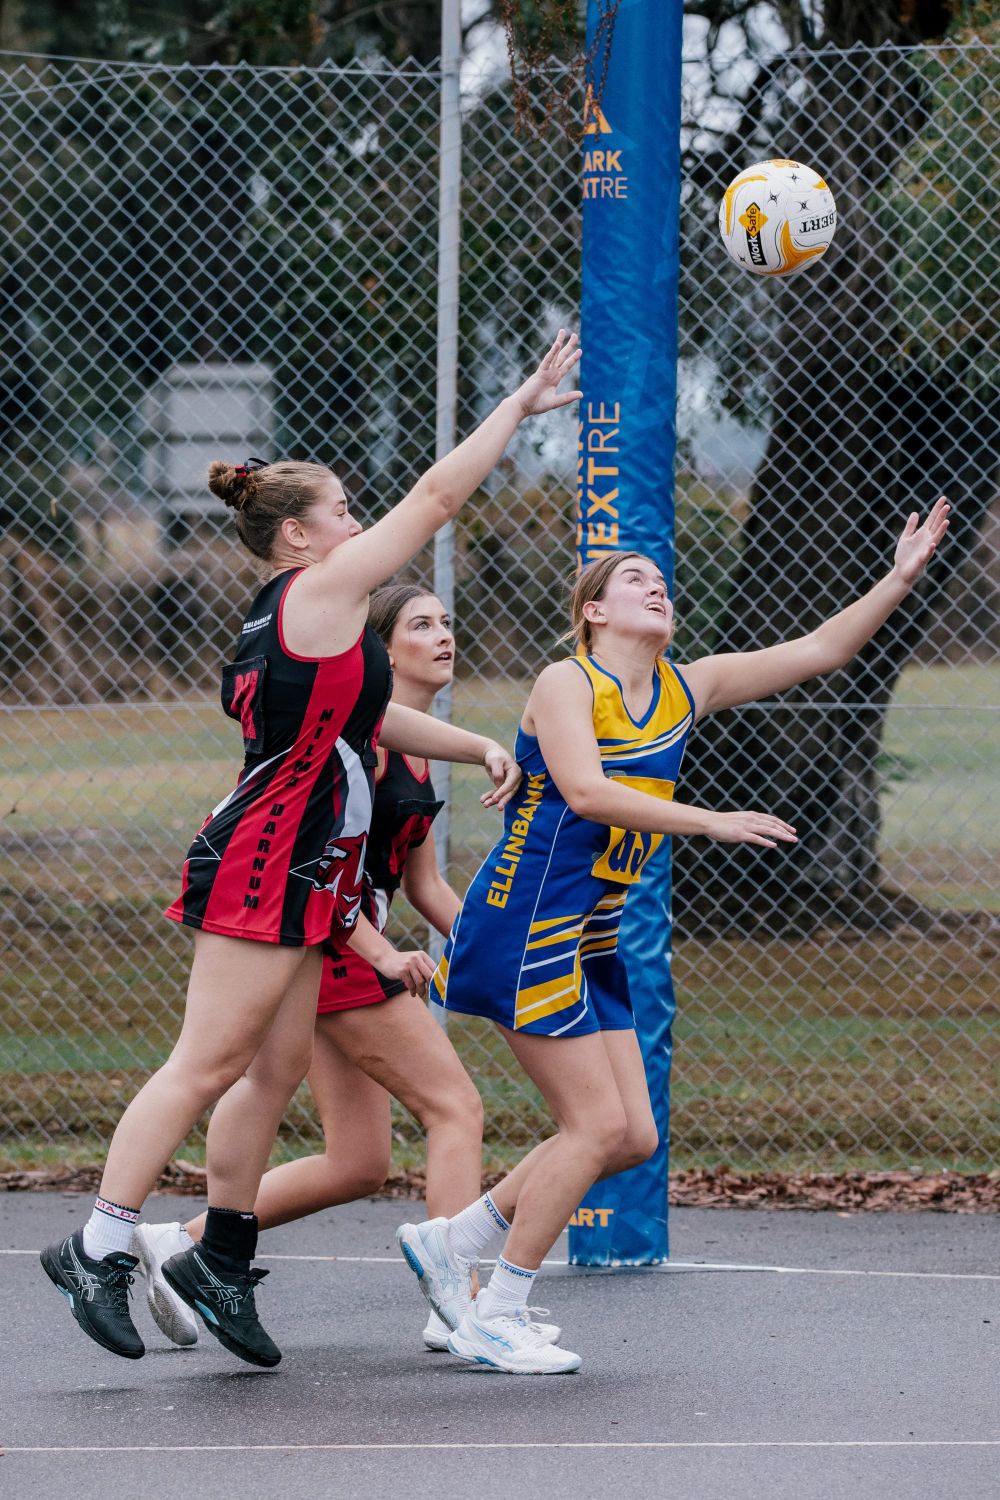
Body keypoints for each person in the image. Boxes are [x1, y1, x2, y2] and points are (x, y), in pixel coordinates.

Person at [40, 330, 583, 1367]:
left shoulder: (289, 613)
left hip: (302, 869)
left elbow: (361, 723)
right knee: (205, 1065)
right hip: (264, 859)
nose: (356, 521)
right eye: (341, 509)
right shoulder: (321, 592)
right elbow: (437, 497)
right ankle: (98, 1246)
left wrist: (472, 744)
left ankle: (219, 1257)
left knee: (274, 1071)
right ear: (296, 534)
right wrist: (516, 408)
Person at [397, 499, 951, 1374]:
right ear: (594, 609)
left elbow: (822, 650)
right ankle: (495, 1310)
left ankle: (454, 1239)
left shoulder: (687, 687)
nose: (656, 587)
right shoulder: (567, 682)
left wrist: (899, 577)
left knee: (631, 1137)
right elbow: (586, 791)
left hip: (590, 934)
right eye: (634, 580)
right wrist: (711, 821)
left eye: (661, 579)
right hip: (527, 922)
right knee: (591, 1127)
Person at [131, 583, 558, 1354]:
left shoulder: (420, 755)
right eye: (422, 624)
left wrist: (507, 947)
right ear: (380, 653)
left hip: (346, 942)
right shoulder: (354, 743)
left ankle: (182, 1243)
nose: (444, 635)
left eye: (447, 621)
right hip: (330, 943)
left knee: (358, 1162)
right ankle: (460, 1303)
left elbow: (424, 884)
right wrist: (380, 951)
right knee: (454, 1107)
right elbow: (316, 863)